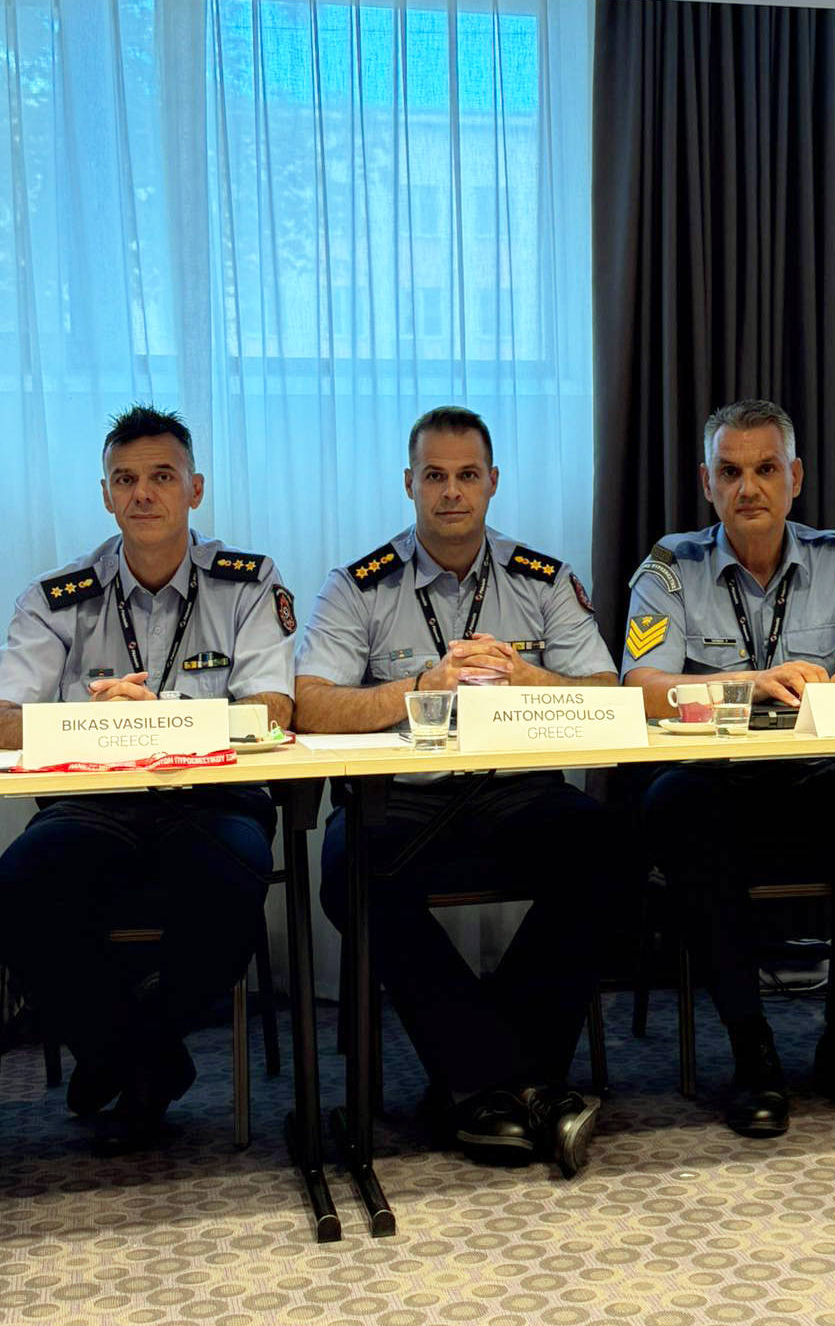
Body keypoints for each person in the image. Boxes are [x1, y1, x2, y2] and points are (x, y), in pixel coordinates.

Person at [294, 406, 620, 1177]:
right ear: (408, 483)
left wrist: (526, 675)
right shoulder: (358, 585)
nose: (451, 492)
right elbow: (309, 704)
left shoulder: (542, 579)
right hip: (403, 799)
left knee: (611, 851)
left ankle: (480, 1083)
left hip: (519, 795)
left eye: (466, 475)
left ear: (492, 482)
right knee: (347, 871)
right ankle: (525, 1085)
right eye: (434, 476)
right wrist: (420, 687)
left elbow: (606, 694)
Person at [621, 398, 835, 1137]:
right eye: (730, 472)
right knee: (676, 807)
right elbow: (641, 687)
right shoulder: (670, 566)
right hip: (717, 782)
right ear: (707, 482)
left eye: (765, 470)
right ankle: (752, 1051)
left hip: (818, 780)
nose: (749, 488)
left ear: (794, 477)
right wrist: (745, 686)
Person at [0, 405, 295, 1152]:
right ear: (105, 495)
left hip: (214, 800)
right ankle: (144, 1060)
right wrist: (92, 721)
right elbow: (4, 717)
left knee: (229, 883)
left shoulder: (247, 582)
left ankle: (123, 1055)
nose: (143, 494)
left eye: (162, 476)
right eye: (125, 479)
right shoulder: (56, 596)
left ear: (195, 489)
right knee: (18, 887)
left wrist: (163, 716)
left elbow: (273, 709)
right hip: (93, 803)